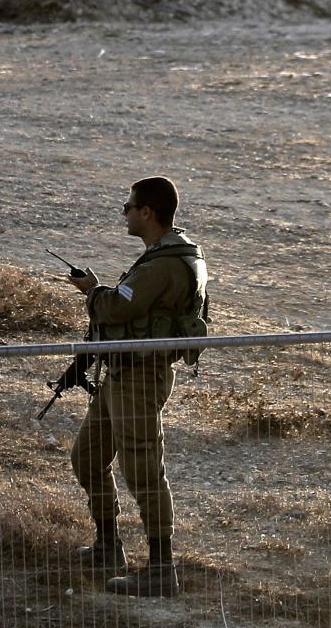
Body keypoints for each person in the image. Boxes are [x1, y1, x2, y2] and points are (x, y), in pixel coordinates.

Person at [65, 175, 209, 598]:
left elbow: (115, 307)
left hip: (140, 378)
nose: (124, 213)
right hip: (122, 373)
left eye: (128, 207)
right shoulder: (170, 254)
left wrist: (92, 291)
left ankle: (162, 568)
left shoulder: (164, 264)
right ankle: (108, 547)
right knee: (87, 457)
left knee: (144, 472)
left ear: (147, 211)